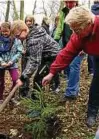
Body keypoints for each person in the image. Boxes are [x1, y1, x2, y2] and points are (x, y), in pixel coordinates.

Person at [42, 6, 99, 127]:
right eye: (73, 30)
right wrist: (52, 72)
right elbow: (66, 53)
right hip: (97, 56)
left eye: (77, 30)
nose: (75, 33)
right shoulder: (78, 36)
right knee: (97, 82)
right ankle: (92, 112)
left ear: (89, 23)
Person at [11, 20, 60, 96]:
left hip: (52, 58)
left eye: (18, 35)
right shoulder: (30, 33)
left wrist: (23, 78)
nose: (18, 38)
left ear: (24, 30)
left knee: (38, 79)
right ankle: (53, 88)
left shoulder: (35, 39)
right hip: (45, 56)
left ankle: (37, 104)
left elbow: (35, 61)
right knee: (40, 77)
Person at [54, 0, 84, 102]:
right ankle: (75, 89)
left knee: (74, 66)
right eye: (66, 2)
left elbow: (84, 29)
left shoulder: (81, 12)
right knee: (67, 67)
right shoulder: (63, 12)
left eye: (70, 2)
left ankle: (70, 93)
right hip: (66, 43)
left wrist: (83, 47)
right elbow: (60, 27)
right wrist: (55, 39)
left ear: (75, 2)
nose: (68, 5)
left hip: (78, 44)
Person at [0, 22, 23, 104]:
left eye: (6, 31)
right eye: (2, 31)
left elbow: (19, 52)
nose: (4, 33)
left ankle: (11, 97)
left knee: (15, 80)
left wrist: (12, 61)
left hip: (12, 63)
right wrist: (1, 61)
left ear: (10, 30)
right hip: (1, 64)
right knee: (0, 81)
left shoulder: (16, 40)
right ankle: (0, 98)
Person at [19, 15, 35, 97]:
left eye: (30, 21)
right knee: (23, 72)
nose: (28, 22)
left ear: (33, 22)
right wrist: (21, 50)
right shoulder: (22, 30)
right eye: (27, 21)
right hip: (24, 55)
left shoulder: (33, 31)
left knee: (27, 73)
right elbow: (20, 42)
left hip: (31, 56)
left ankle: (26, 90)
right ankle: (22, 91)